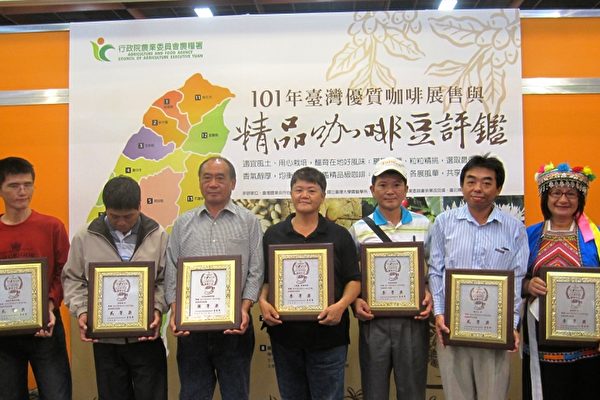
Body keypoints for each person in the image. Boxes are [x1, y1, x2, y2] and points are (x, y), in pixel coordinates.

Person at [428, 155, 528, 400]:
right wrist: (439, 314)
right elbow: (436, 271)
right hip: (451, 327)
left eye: (486, 182)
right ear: (462, 185)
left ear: (498, 188)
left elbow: (517, 278)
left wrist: (511, 324)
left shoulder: (514, 228)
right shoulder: (443, 223)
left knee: (492, 394)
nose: (478, 188)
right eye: (471, 181)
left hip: (495, 329)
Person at [164, 156, 264, 400]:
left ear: (233, 183)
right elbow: (172, 270)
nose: (213, 184)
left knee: (236, 394)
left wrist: (244, 308)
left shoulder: (249, 221)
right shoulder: (183, 223)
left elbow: (256, 269)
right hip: (192, 331)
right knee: (193, 394)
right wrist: (176, 311)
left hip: (235, 327)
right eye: (207, 178)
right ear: (199, 182)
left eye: (220, 178)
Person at [259, 167, 361, 400]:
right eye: (299, 190)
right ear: (291, 194)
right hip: (285, 337)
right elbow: (266, 280)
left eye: (311, 190)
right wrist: (263, 302)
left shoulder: (339, 235)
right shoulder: (274, 235)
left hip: (329, 336)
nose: (304, 195)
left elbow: (354, 280)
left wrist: (341, 306)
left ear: (323, 196)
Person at [61, 176, 168, 400]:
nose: (121, 222)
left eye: (128, 216)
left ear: (139, 207)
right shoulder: (85, 236)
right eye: (114, 216)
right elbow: (73, 279)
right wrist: (82, 310)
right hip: (105, 340)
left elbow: (164, 280)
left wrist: (157, 309)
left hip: (145, 338)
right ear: (105, 209)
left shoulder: (157, 235)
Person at [349, 157, 432, 400]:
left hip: (413, 320)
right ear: (372, 189)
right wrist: (355, 302)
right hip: (374, 319)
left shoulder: (424, 224)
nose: (390, 191)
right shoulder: (359, 229)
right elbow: (350, 274)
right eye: (383, 185)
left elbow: (435, 267)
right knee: (374, 390)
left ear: (406, 189)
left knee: (412, 390)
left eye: (396, 184)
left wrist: (428, 292)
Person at [521, 162, 600, 400]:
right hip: (540, 333)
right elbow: (515, 276)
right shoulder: (529, 235)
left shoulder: (595, 236)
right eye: (556, 193)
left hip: (586, 336)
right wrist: (528, 285)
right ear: (546, 198)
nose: (563, 199)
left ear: (580, 199)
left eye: (571, 194)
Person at [0, 156, 72, 400]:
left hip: (46, 325)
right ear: (1, 189)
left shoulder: (52, 227)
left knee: (57, 394)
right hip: (3, 332)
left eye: (27, 184)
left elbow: (64, 272)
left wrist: (48, 307)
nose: (22, 191)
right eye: (13, 185)